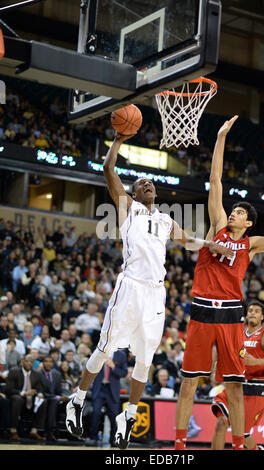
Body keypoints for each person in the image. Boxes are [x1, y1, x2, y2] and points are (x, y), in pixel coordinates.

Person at [66, 132, 232, 449]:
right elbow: (107, 170)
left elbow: (189, 242)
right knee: (104, 349)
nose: (147, 185)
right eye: (142, 183)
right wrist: (116, 141)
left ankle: (128, 417)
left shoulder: (167, 219)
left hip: (156, 294)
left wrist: (212, 244)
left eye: (150, 183)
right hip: (130, 287)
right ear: (132, 192)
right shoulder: (127, 207)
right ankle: (78, 398)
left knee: (145, 360)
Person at [174, 116, 264, 451]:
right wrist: (220, 138)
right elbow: (215, 180)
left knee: (234, 388)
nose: (233, 214)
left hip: (230, 316)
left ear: (249, 222)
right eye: (233, 211)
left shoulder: (252, 244)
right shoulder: (217, 225)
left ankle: (240, 447)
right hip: (201, 310)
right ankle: (180, 445)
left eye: (240, 213)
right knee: (189, 383)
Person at [211, 300, 264, 450]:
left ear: (262, 317)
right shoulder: (238, 334)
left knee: (242, 435)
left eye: (257, 311)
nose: (252, 313)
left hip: (255, 389)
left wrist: (256, 361)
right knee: (221, 423)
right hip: (236, 385)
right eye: (250, 310)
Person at [88, 350, 128, 446]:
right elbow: (90, 367)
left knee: (114, 415)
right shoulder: (99, 351)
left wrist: (113, 366)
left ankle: (113, 439)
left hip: (112, 390)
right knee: (95, 412)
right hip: (99, 388)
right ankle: (93, 437)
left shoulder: (121, 354)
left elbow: (124, 372)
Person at [4, 354, 47, 440]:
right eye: (27, 361)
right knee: (18, 399)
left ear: (33, 363)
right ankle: (13, 431)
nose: (28, 363)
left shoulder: (37, 374)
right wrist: (23, 393)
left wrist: (39, 394)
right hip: (17, 396)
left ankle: (34, 431)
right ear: (22, 362)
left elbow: (40, 389)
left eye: (31, 362)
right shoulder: (14, 371)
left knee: (43, 401)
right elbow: (8, 389)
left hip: (31, 398)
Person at [40, 355, 69, 441]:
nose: (48, 363)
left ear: (53, 364)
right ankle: (50, 431)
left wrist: (63, 397)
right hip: (43, 399)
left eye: (50, 362)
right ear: (43, 363)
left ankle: (71, 433)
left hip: (55, 400)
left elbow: (59, 390)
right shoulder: (38, 373)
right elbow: (42, 392)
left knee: (70, 402)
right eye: (46, 361)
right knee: (53, 401)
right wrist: (58, 397)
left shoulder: (57, 374)